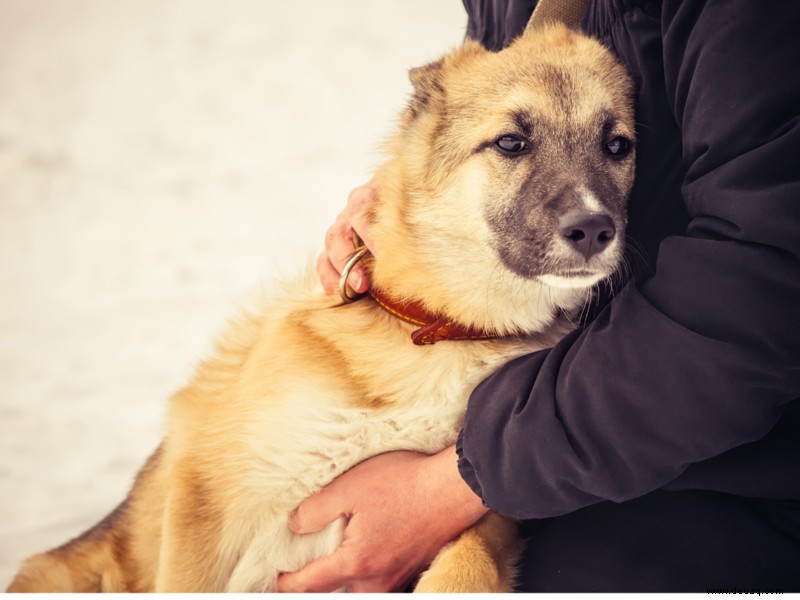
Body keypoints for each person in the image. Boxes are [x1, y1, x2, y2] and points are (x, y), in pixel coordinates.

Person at [277, 0, 800, 592]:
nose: (590, 214)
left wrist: (451, 486)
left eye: (617, 147)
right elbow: (482, 96)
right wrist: (405, 191)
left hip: (734, 468)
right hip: (563, 420)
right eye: (513, 147)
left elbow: (761, 291)